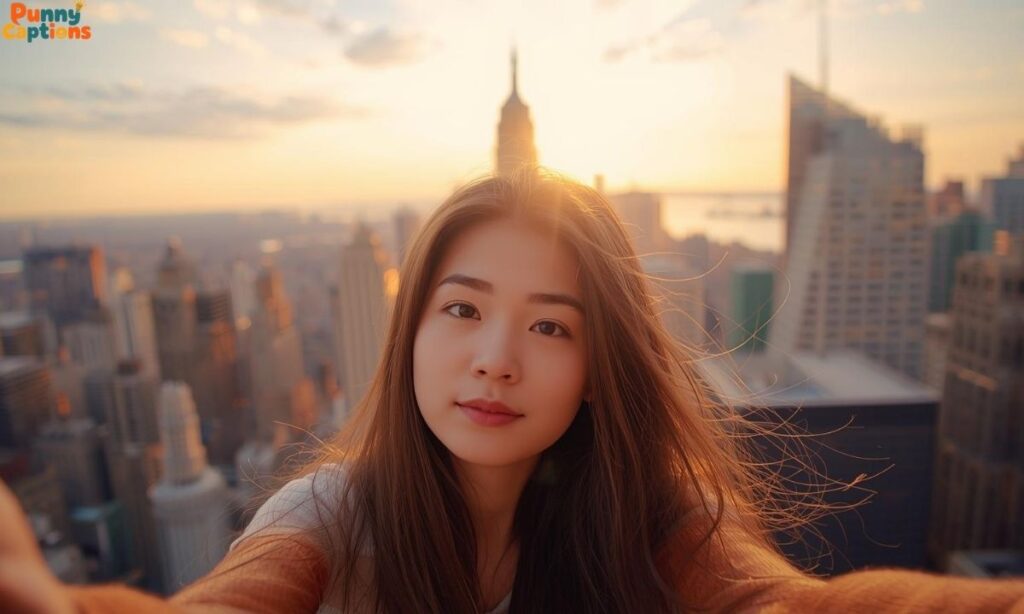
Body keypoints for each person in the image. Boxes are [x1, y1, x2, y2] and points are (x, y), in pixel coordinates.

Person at [2, 168, 1023, 613]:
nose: (495, 356)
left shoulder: (647, 517)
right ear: (410, 332)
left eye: (548, 326)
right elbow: (240, 594)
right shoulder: (324, 515)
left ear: (594, 373)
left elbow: (782, 604)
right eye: (460, 309)